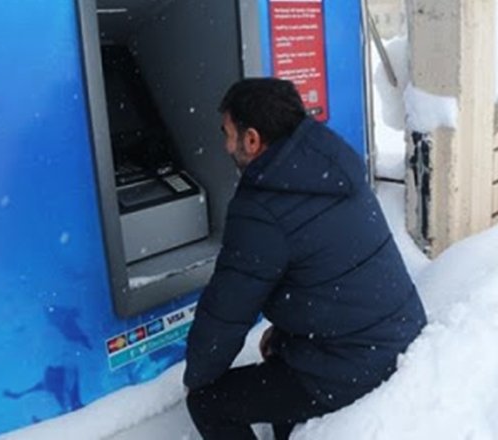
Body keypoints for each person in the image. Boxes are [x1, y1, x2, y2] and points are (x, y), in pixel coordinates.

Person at [183, 78, 427, 440]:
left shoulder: (261, 207)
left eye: (228, 133)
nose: (225, 144)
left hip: (354, 363)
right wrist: (283, 336)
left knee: (208, 403)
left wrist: (197, 377)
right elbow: (324, 268)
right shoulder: (329, 164)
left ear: (252, 140)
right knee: (277, 349)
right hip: (397, 332)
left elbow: (227, 311)